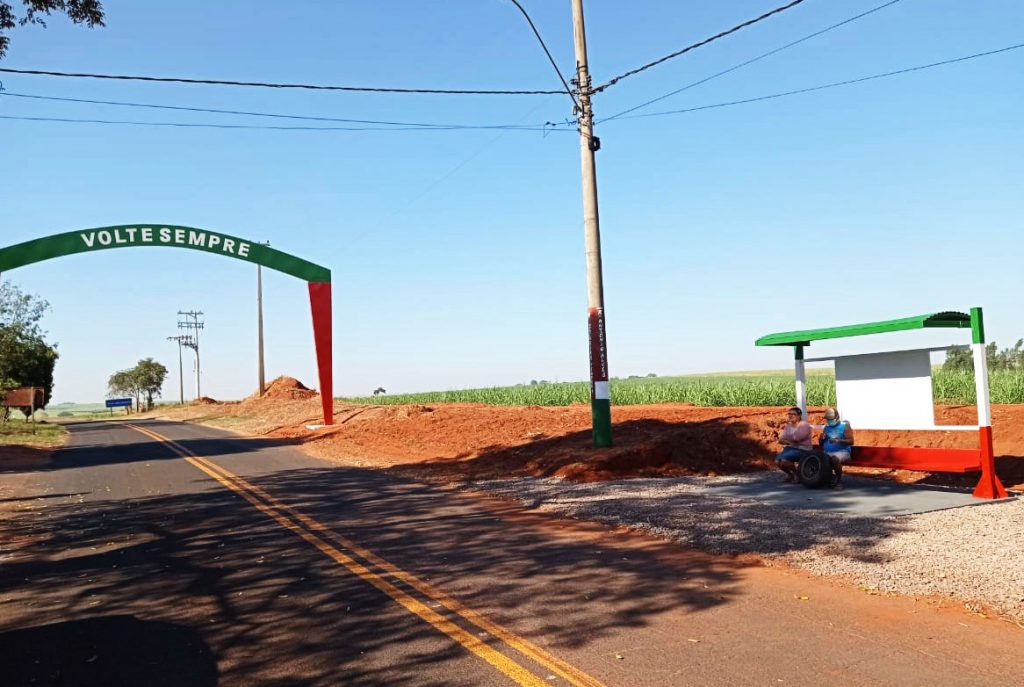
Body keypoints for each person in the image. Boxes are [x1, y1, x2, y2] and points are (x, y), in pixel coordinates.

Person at [818, 407, 855, 490]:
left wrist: (838, 440)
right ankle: (831, 478)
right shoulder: (827, 428)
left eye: (831, 419)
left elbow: (851, 441)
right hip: (827, 451)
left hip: (842, 451)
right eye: (828, 419)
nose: (829, 421)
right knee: (819, 458)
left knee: (834, 459)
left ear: (837, 417)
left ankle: (839, 481)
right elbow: (821, 443)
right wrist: (821, 438)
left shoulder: (845, 426)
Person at [777, 406, 813, 483]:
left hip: (803, 449)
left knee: (784, 460)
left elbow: (797, 438)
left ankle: (797, 475)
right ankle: (790, 475)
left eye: (793, 414)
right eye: (789, 414)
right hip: (791, 448)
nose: (790, 415)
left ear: (799, 416)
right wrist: (791, 441)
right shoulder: (788, 426)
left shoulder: (804, 425)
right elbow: (780, 440)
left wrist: (788, 440)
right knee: (777, 461)